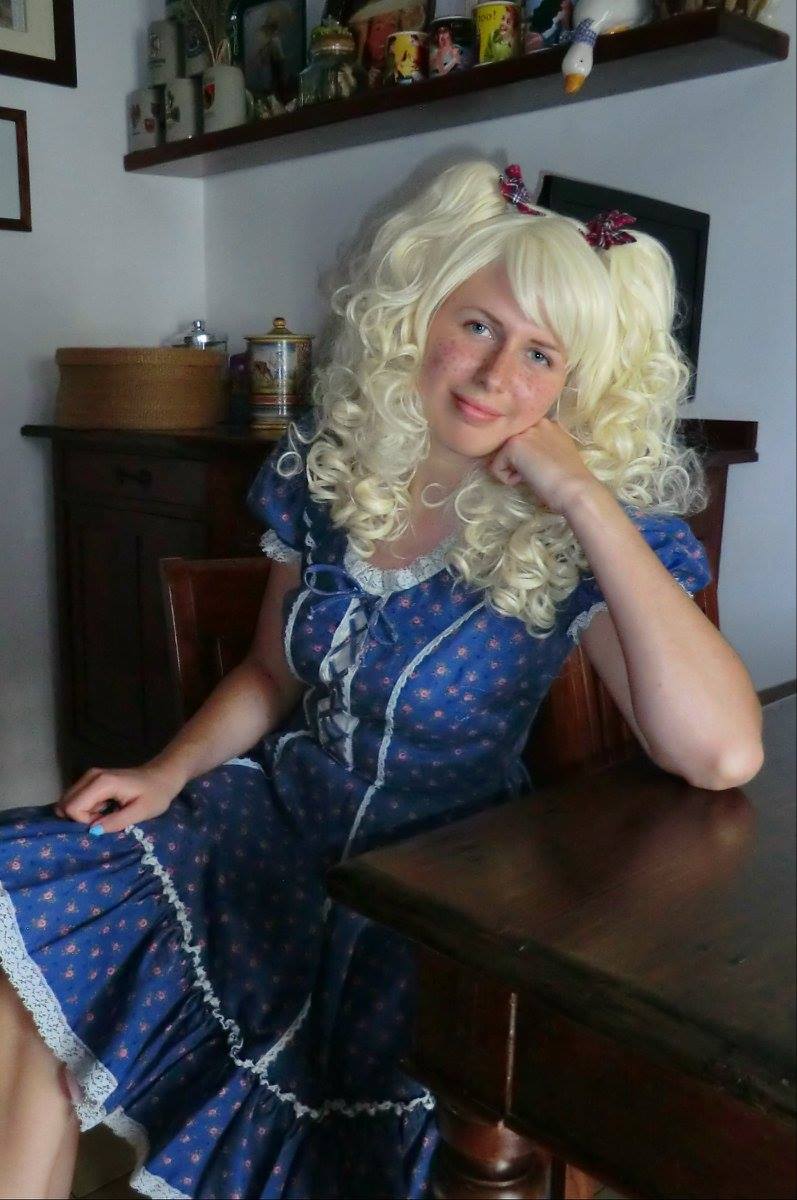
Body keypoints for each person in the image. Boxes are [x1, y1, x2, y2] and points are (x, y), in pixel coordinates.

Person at [0, 159, 763, 1200]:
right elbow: (270, 671)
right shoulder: (332, 461)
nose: (495, 374)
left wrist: (583, 496)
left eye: (541, 354)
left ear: (572, 388)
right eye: (479, 325)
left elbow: (720, 753)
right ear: (422, 313)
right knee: (27, 945)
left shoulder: (571, 531)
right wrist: (168, 771)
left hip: (442, 879)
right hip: (279, 818)